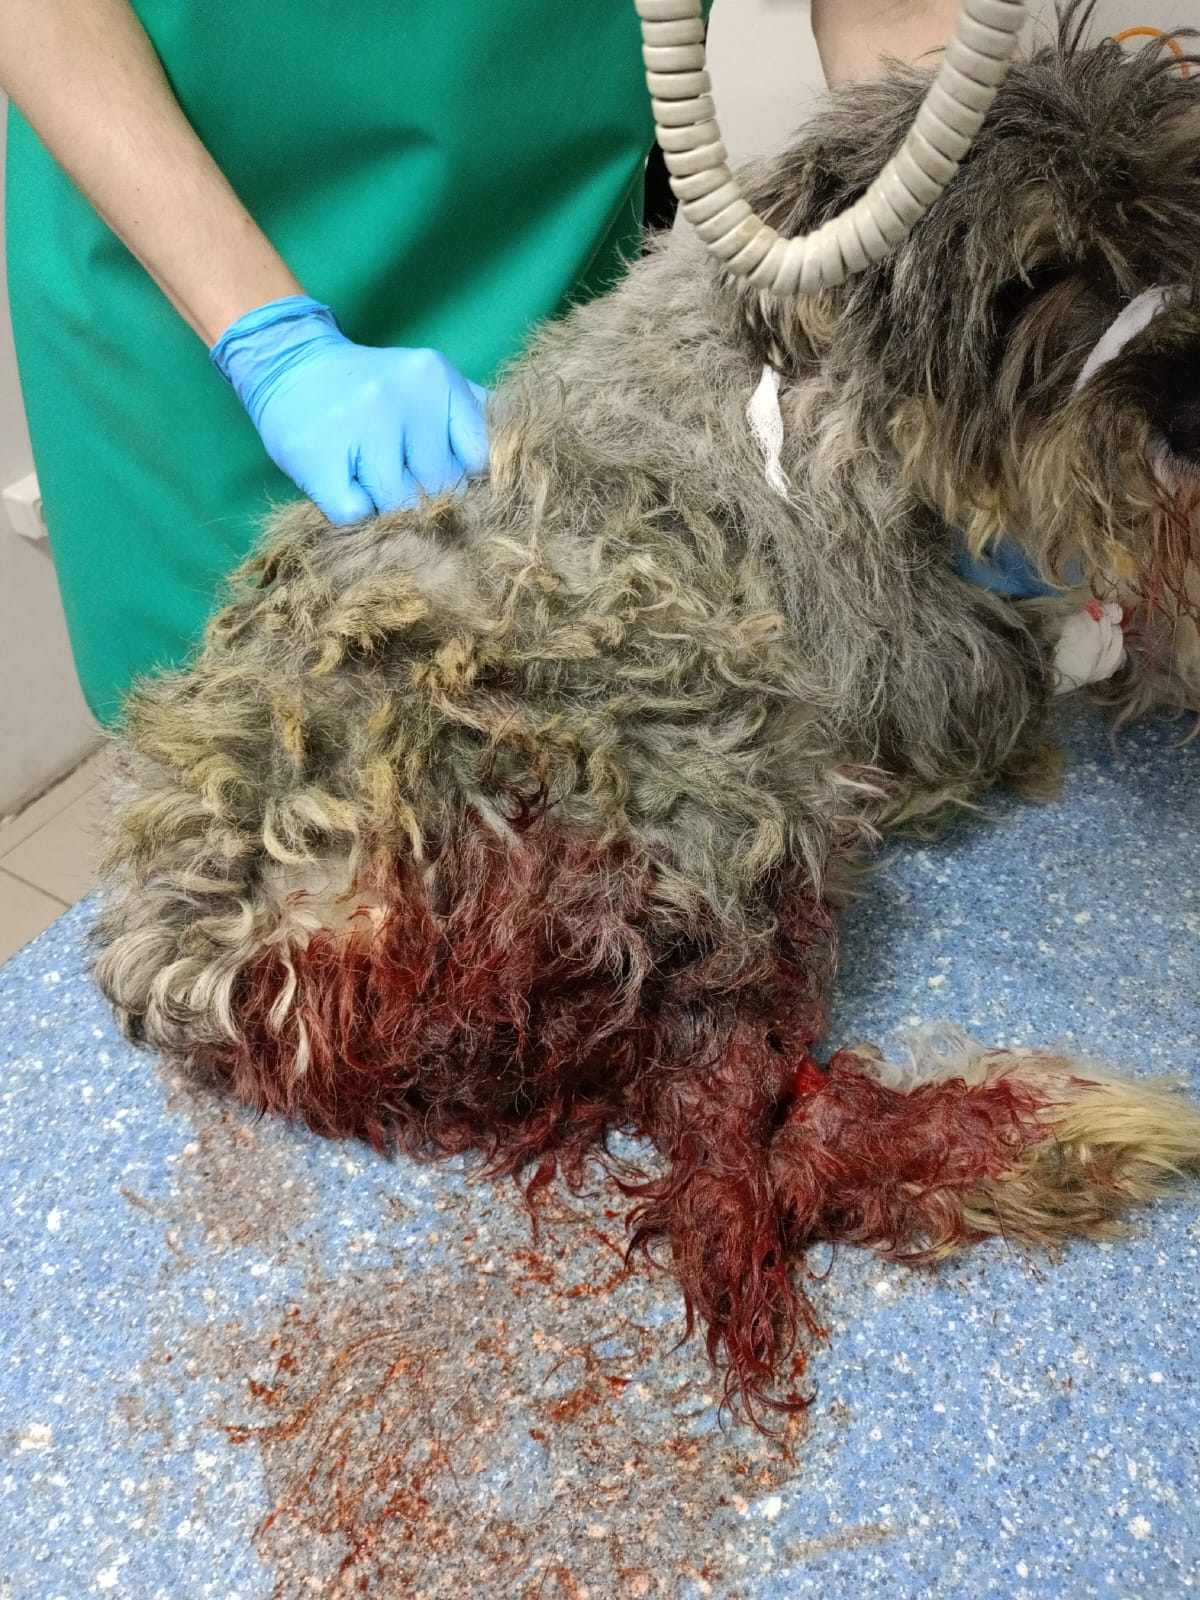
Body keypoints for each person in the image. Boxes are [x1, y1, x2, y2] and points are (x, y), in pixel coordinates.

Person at [2, 0, 960, 724]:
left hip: (542, 229)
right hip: (182, 266)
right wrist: (270, 341)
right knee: (252, 736)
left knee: (585, 700)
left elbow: (895, 14)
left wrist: (970, 320)